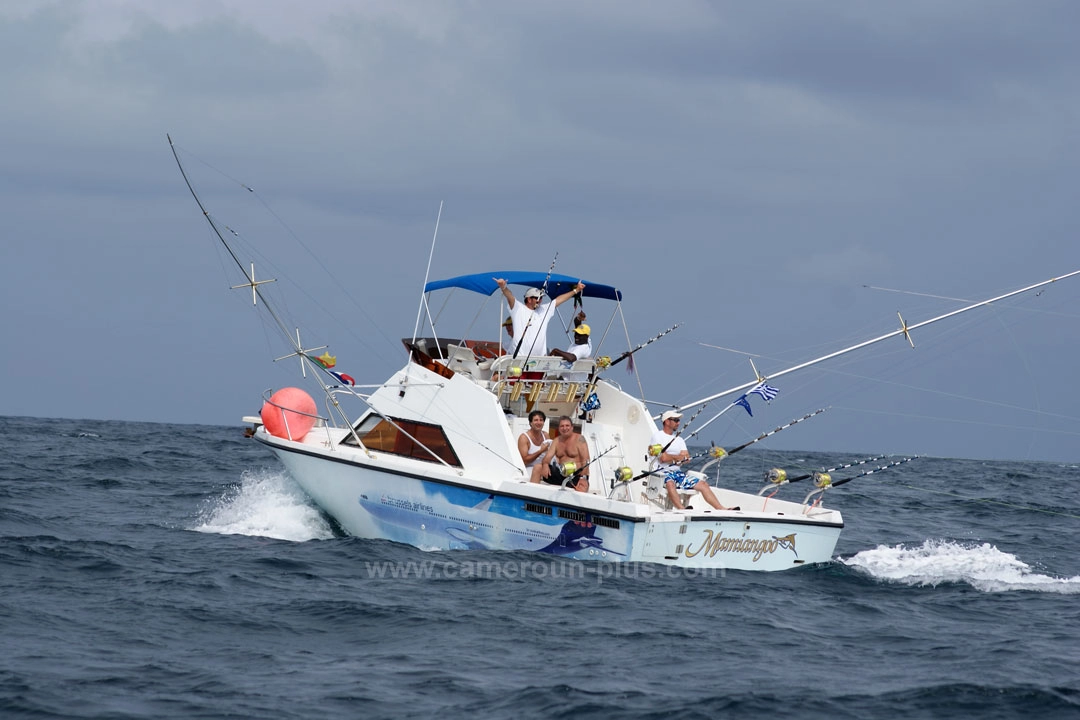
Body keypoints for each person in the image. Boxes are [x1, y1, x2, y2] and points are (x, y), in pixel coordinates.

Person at [648, 410, 730, 510]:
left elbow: (687, 459)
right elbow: (663, 458)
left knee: (703, 484)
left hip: (678, 473)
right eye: (676, 420)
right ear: (667, 421)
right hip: (661, 474)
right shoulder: (657, 436)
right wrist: (678, 457)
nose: (678, 423)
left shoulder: (680, 440)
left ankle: (721, 508)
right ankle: (681, 509)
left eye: (678, 420)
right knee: (670, 483)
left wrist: (673, 457)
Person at [496, 278, 585, 357]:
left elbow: (559, 300)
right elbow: (510, 296)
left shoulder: (544, 309)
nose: (540, 300)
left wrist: (576, 290)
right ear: (529, 299)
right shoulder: (518, 308)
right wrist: (503, 287)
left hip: (539, 359)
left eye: (541, 298)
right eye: (537, 298)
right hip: (520, 357)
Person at [532, 415, 590, 492]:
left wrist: (583, 478)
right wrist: (545, 465)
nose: (565, 428)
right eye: (562, 426)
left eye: (567, 426)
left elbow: (586, 461)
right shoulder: (556, 441)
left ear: (572, 427)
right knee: (537, 467)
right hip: (560, 473)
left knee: (582, 487)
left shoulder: (580, 439)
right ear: (559, 428)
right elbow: (547, 458)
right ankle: (532, 495)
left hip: (575, 475)